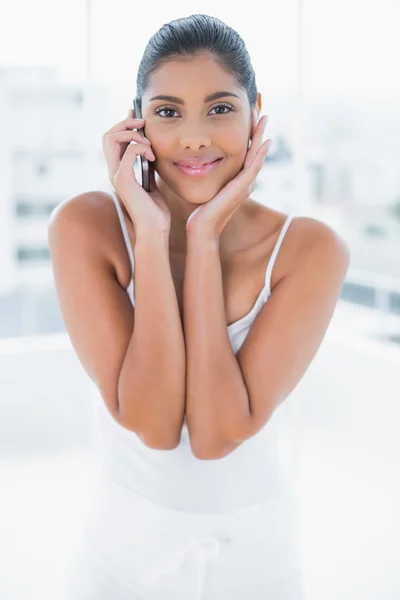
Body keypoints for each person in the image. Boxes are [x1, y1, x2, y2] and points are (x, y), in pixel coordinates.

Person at [48, 13, 350, 600]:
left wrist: (207, 238)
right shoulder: (87, 227)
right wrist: (153, 236)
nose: (193, 136)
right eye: (166, 112)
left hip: (256, 560)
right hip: (120, 554)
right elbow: (155, 426)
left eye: (219, 109)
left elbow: (214, 435)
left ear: (255, 112)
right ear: (135, 121)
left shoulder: (310, 250)